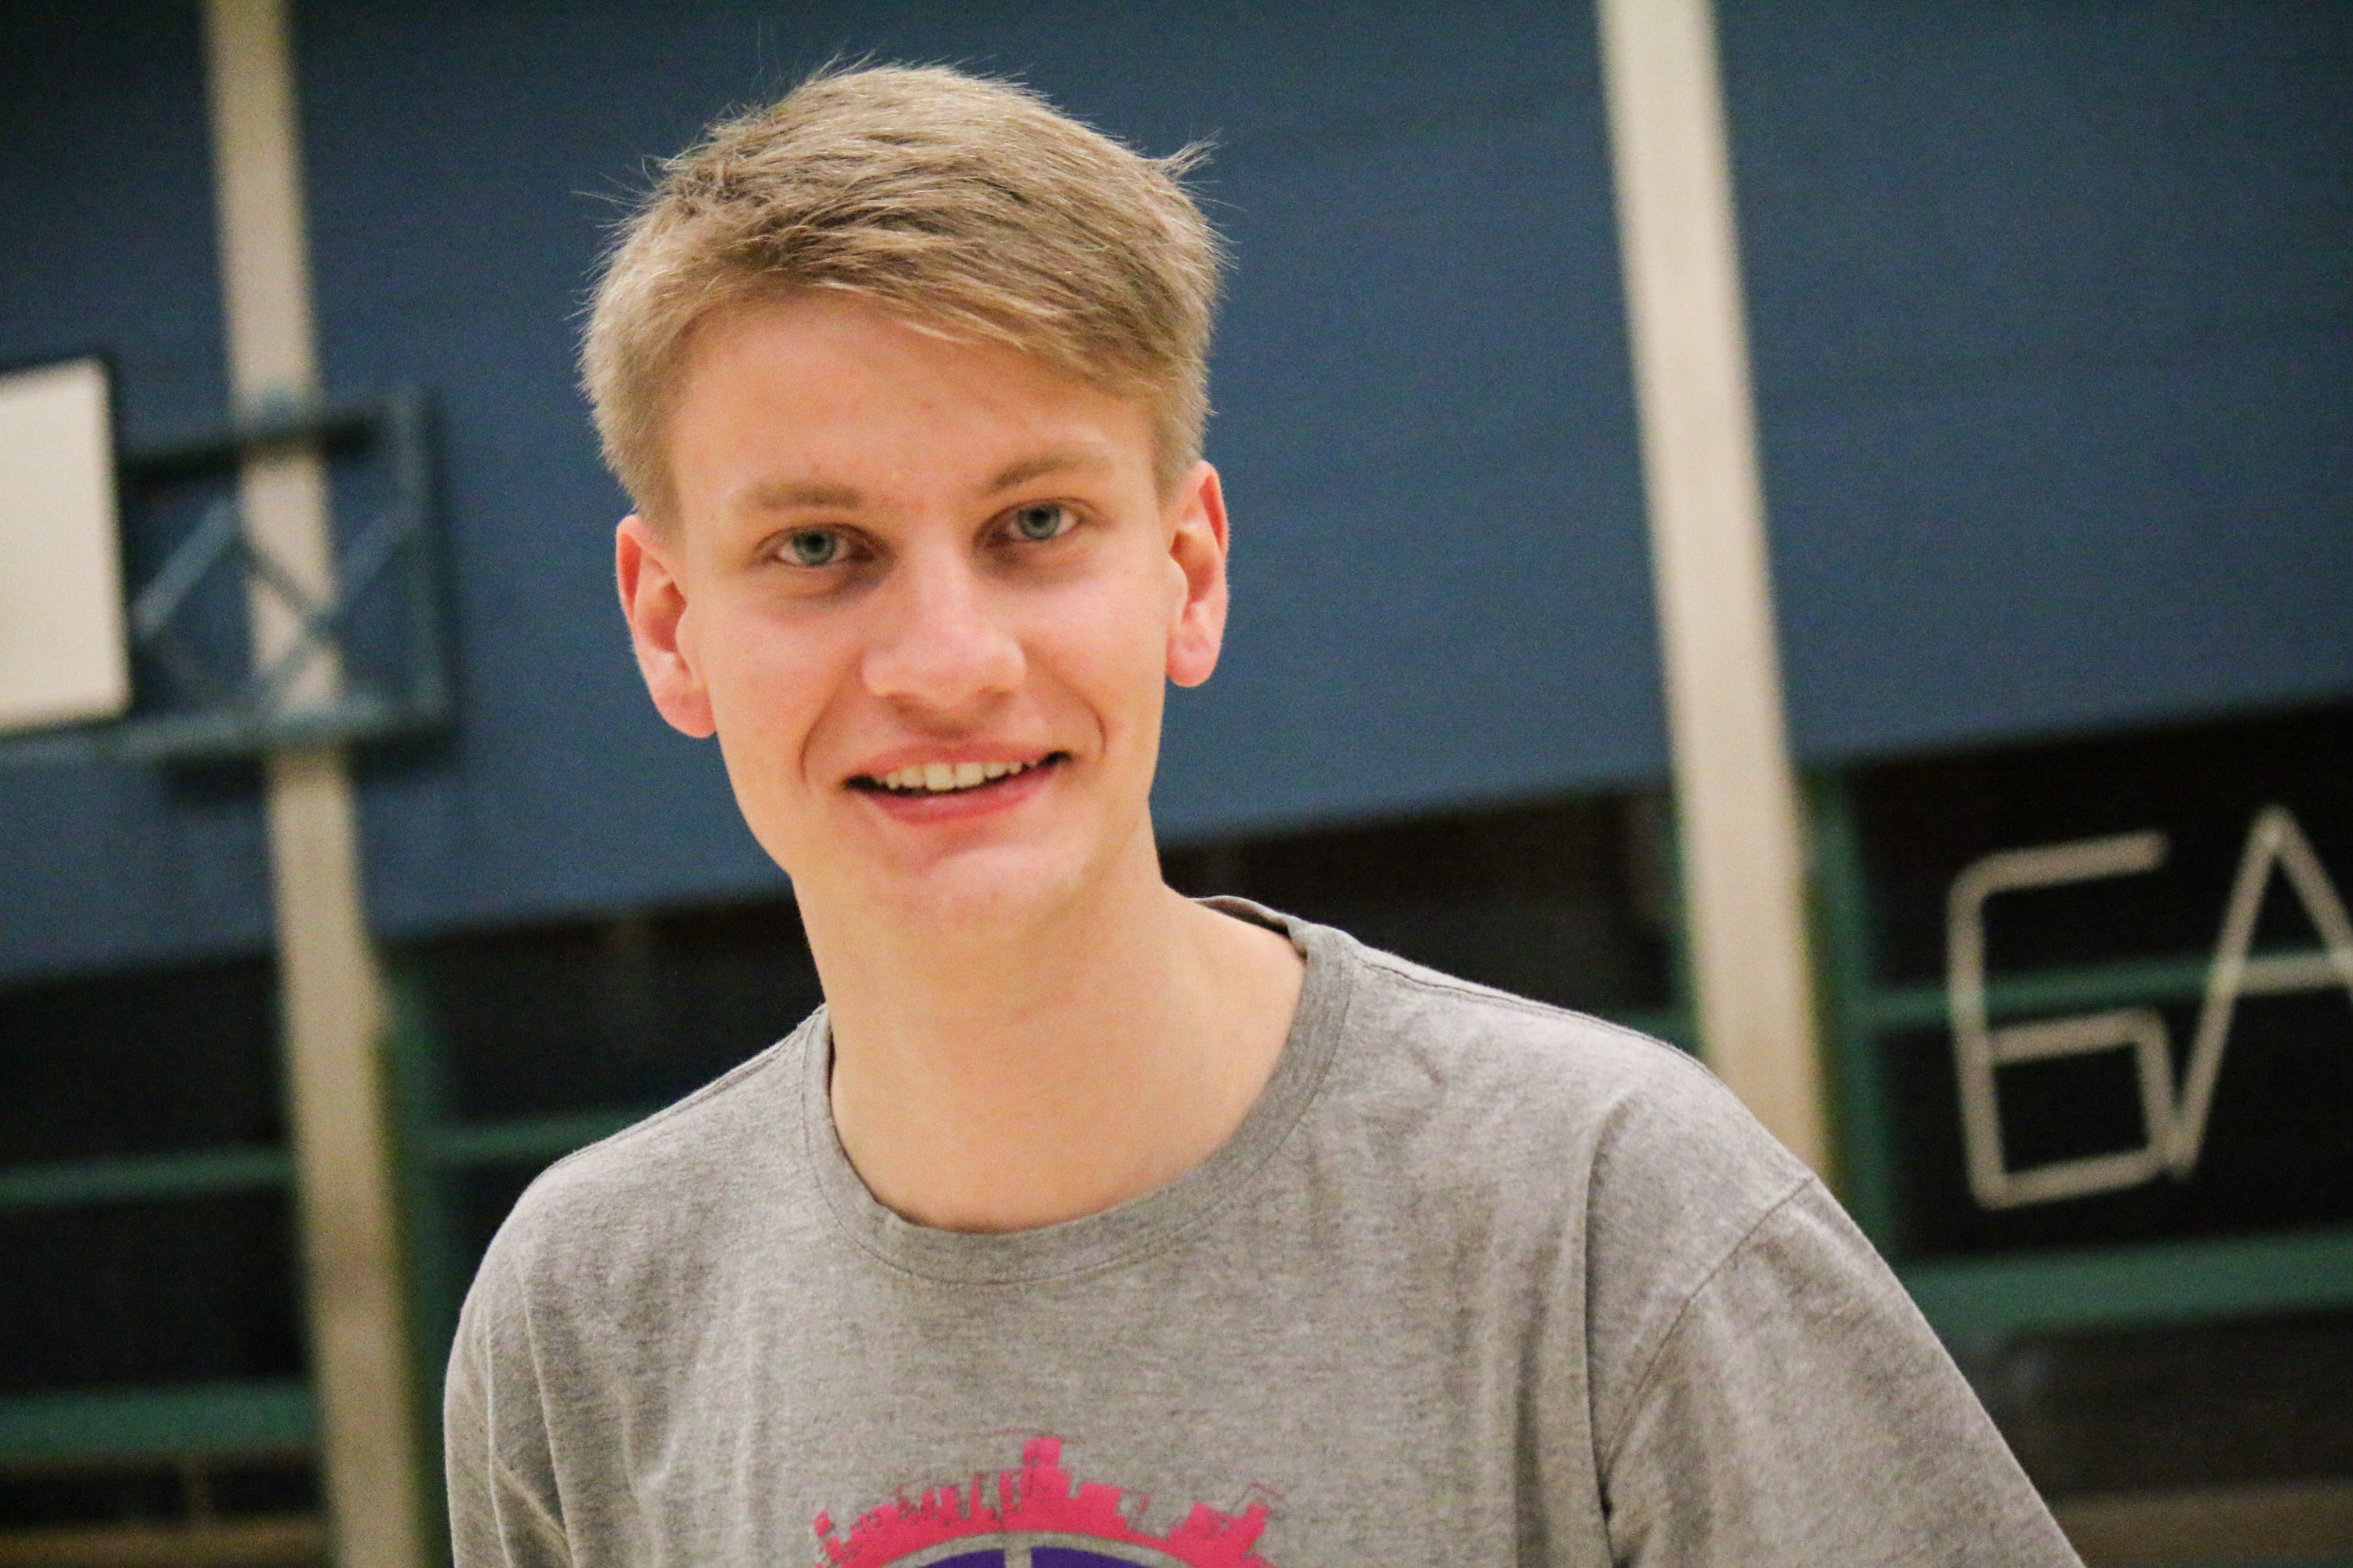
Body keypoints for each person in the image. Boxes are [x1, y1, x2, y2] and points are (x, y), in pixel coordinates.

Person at [444, 63, 2081, 1567]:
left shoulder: (1605, 1214)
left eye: (1035, 523)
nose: (948, 662)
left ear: (1190, 571)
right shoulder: (586, 1317)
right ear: (670, 624)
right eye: (818, 548)